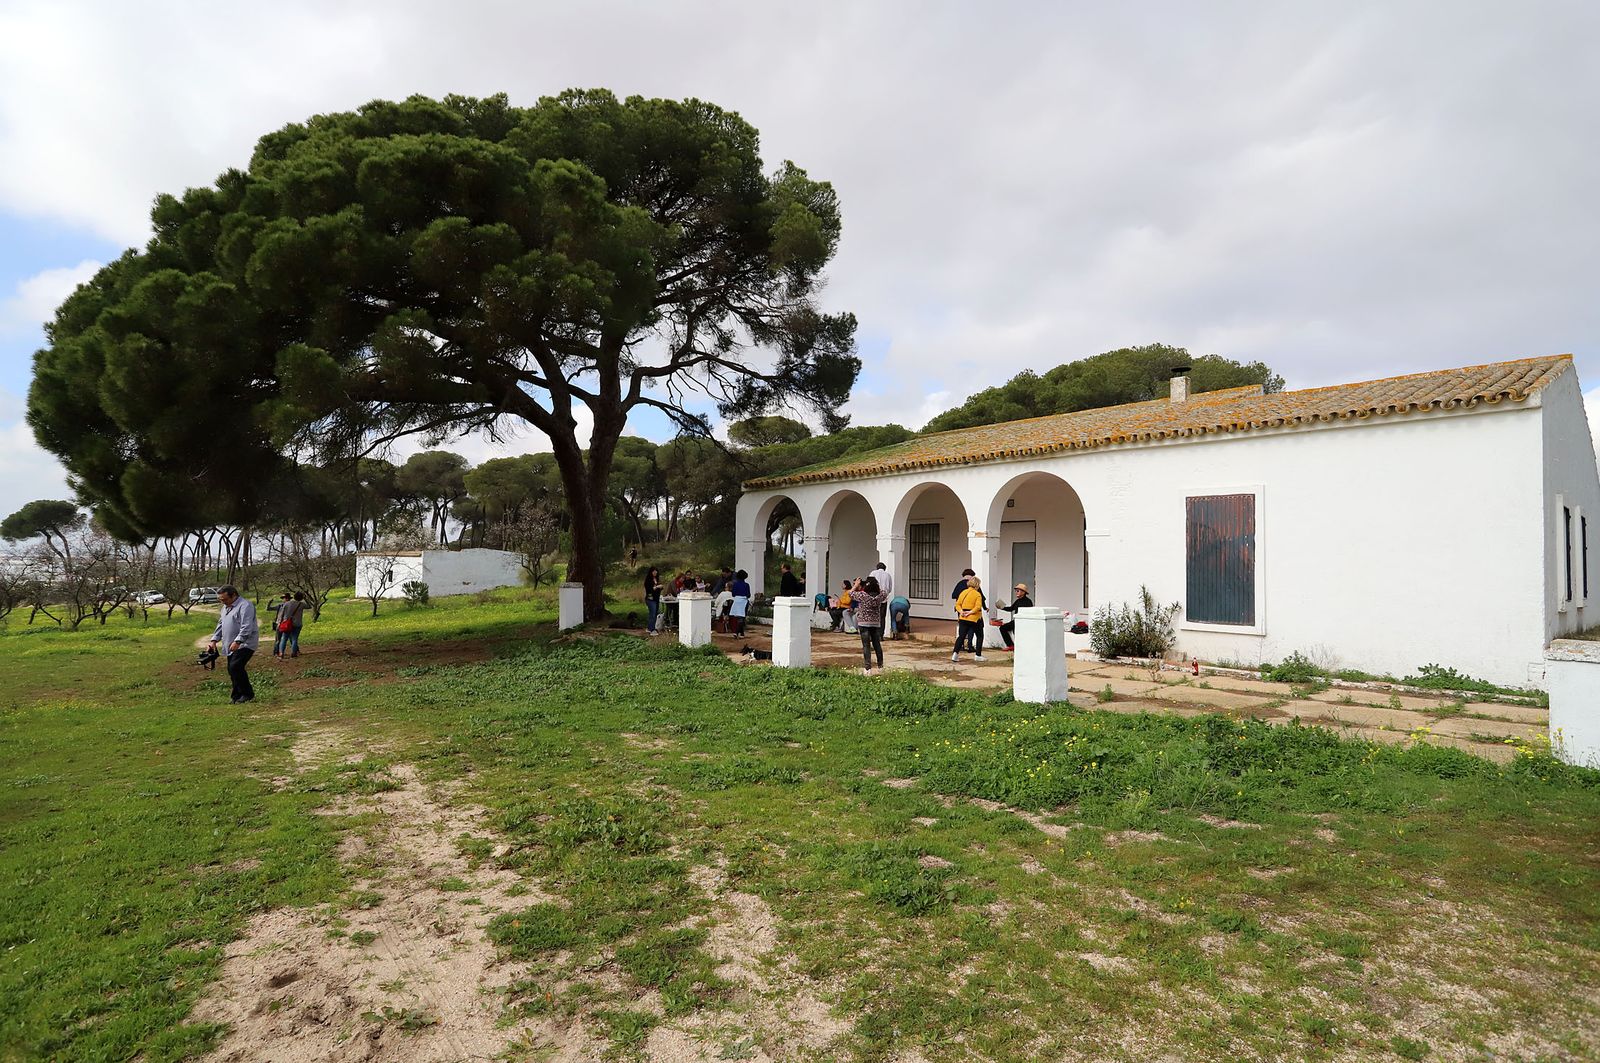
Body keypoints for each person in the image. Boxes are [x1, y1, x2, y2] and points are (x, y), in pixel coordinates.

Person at [209, 585, 259, 703]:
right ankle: (236, 696)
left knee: (235, 666)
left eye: (224, 599)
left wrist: (238, 641)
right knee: (232, 670)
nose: (222, 602)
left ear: (234, 595)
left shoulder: (245, 606)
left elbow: (247, 626)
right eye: (220, 600)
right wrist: (214, 640)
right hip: (230, 644)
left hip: (245, 644)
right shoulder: (225, 608)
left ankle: (247, 694)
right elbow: (221, 624)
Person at [851, 575, 889, 675]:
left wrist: (856, 585)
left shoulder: (862, 595)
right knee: (877, 645)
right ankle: (881, 667)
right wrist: (876, 585)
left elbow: (850, 593)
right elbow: (884, 592)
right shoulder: (880, 596)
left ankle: (868, 669)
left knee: (866, 645)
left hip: (863, 623)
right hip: (875, 623)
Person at [952, 576, 987, 663]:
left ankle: (955, 654)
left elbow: (957, 604)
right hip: (974, 618)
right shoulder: (977, 594)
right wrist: (970, 612)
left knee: (961, 636)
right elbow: (978, 607)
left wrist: (962, 612)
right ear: (977, 585)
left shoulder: (963, 592)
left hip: (963, 617)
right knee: (979, 636)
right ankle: (978, 655)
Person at [997, 583, 1033, 650]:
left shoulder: (1028, 602)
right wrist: (1002, 607)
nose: (1016, 592)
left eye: (1018, 591)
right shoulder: (1018, 601)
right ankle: (1010, 645)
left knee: (1016, 632)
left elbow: (1029, 613)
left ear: (1023, 592)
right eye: (1016, 591)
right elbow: (1011, 608)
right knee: (1002, 628)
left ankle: (1021, 648)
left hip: (1023, 622)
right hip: (1016, 621)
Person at [729, 569, 752, 636]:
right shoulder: (746, 585)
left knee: (737, 617)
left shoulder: (735, 584)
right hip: (744, 601)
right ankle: (738, 632)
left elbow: (733, 594)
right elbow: (748, 595)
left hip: (736, 601)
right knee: (742, 617)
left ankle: (741, 633)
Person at [272, 593, 294, 658]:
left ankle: (277, 652)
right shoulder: (290, 605)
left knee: (280, 639)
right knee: (288, 638)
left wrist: (278, 623)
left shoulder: (283, 606)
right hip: (287, 624)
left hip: (283, 624)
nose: (283, 599)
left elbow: (281, 616)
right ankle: (277, 652)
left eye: (284, 598)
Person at [644, 567, 664, 634]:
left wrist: (660, 587)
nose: (655, 572)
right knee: (652, 613)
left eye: (656, 571)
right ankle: (652, 629)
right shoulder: (648, 580)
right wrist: (656, 587)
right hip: (650, 599)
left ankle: (650, 627)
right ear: (651, 572)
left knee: (655, 613)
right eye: (653, 571)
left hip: (656, 598)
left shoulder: (657, 579)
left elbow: (659, 589)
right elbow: (649, 589)